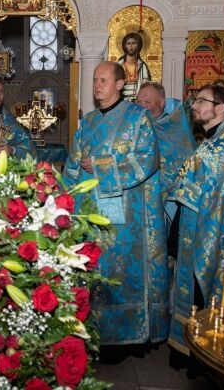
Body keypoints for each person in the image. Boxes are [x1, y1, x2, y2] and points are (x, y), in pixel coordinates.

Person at [62, 62, 169, 347]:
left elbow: (148, 159)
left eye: (103, 80)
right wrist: (62, 200)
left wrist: (100, 165)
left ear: (120, 84)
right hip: (88, 208)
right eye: (95, 80)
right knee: (91, 269)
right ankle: (90, 333)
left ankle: (124, 335)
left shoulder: (137, 117)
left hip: (122, 210)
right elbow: (73, 164)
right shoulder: (89, 121)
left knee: (117, 271)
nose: (97, 85)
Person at [167, 84, 224, 355]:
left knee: (205, 291)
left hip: (215, 232)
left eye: (201, 101)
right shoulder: (211, 141)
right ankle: (190, 350)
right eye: (195, 100)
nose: (194, 105)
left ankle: (204, 354)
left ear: (220, 108)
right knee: (191, 289)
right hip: (193, 226)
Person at [136, 82, 195, 227]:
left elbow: (178, 164)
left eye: (147, 102)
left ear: (162, 103)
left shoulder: (175, 131)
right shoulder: (133, 127)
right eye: (138, 102)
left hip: (166, 203)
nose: (141, 106)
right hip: (137, 198)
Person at [117, 32, 151, 101]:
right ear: (124, 46)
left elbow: (146, 86)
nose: (131, 46)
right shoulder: (118, 65)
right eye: (128, 43)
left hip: (138, 101)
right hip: (121, 101)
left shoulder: (142, 66)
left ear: (138, 45)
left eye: (134, 43)